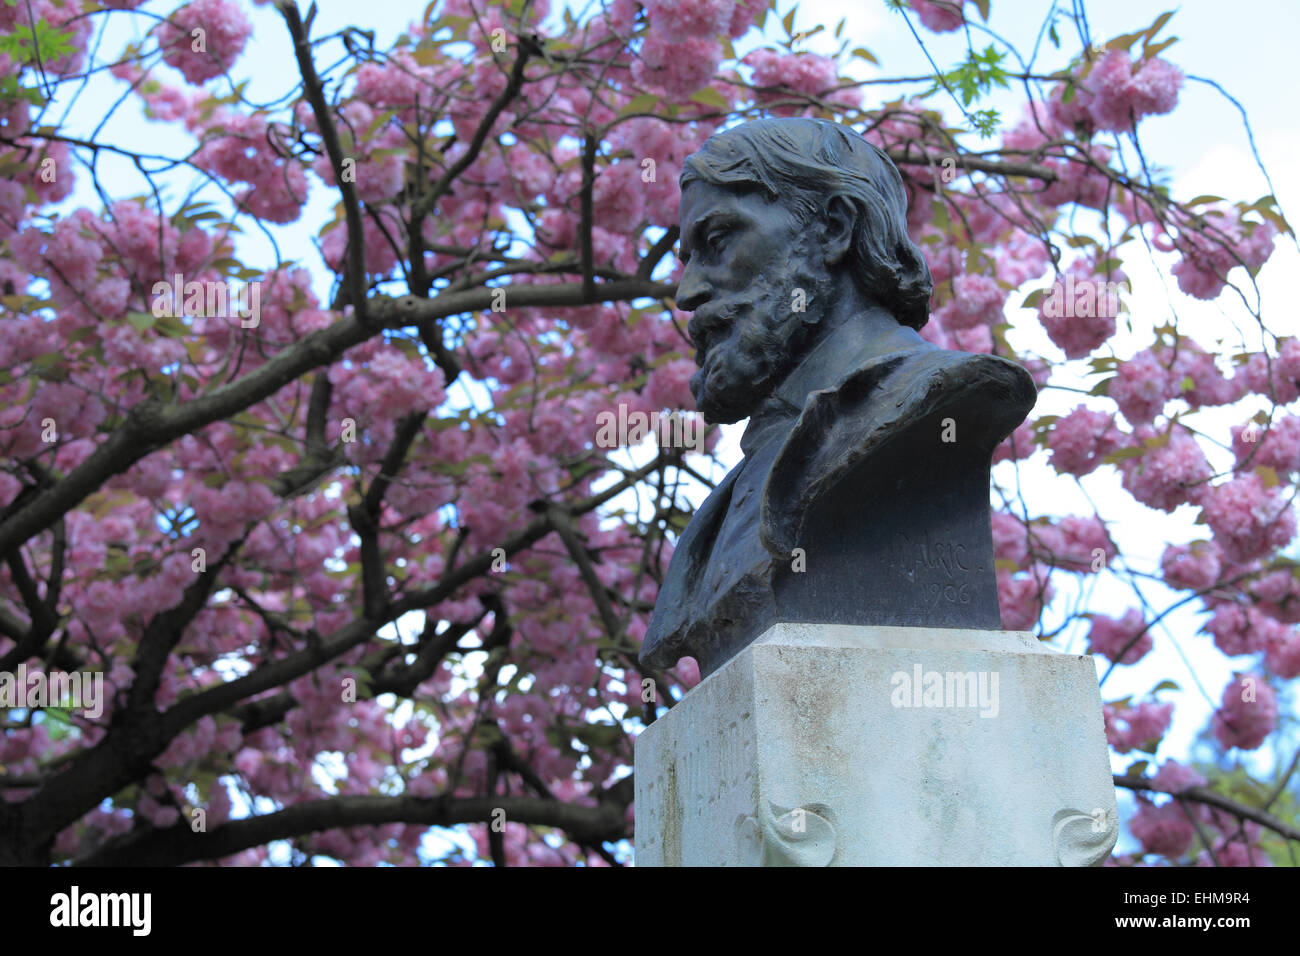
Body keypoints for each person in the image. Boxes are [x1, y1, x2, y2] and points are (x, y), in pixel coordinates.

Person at [639, 118, 1037, 679]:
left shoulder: (936, 399)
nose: (687, 293)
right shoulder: (723, 507)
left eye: (719, 241)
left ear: (833, 228)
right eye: (689, 259)